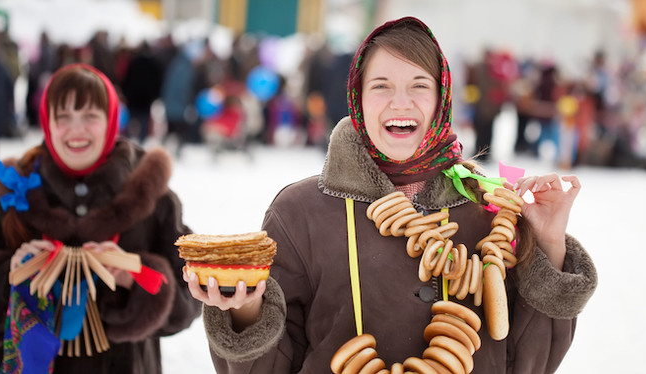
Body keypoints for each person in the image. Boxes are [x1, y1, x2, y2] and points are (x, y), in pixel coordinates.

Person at [185, 17, 597, 373]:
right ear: (358, 100)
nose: (401, 102)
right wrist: (243, 310)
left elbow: (530, 363)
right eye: (381, 86)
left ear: (442, 100)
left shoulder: (489, 213)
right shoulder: (299, 213)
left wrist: (548, 242)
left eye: (419, 85)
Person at [0, 64, 201, 373]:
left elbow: (189, 302)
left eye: (90, 116)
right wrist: (9, 272)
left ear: (111, 121)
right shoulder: (11, 191)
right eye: (63, 117)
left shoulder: (153, 196)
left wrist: (136, 275)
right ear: (48, 123)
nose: (76, 130)